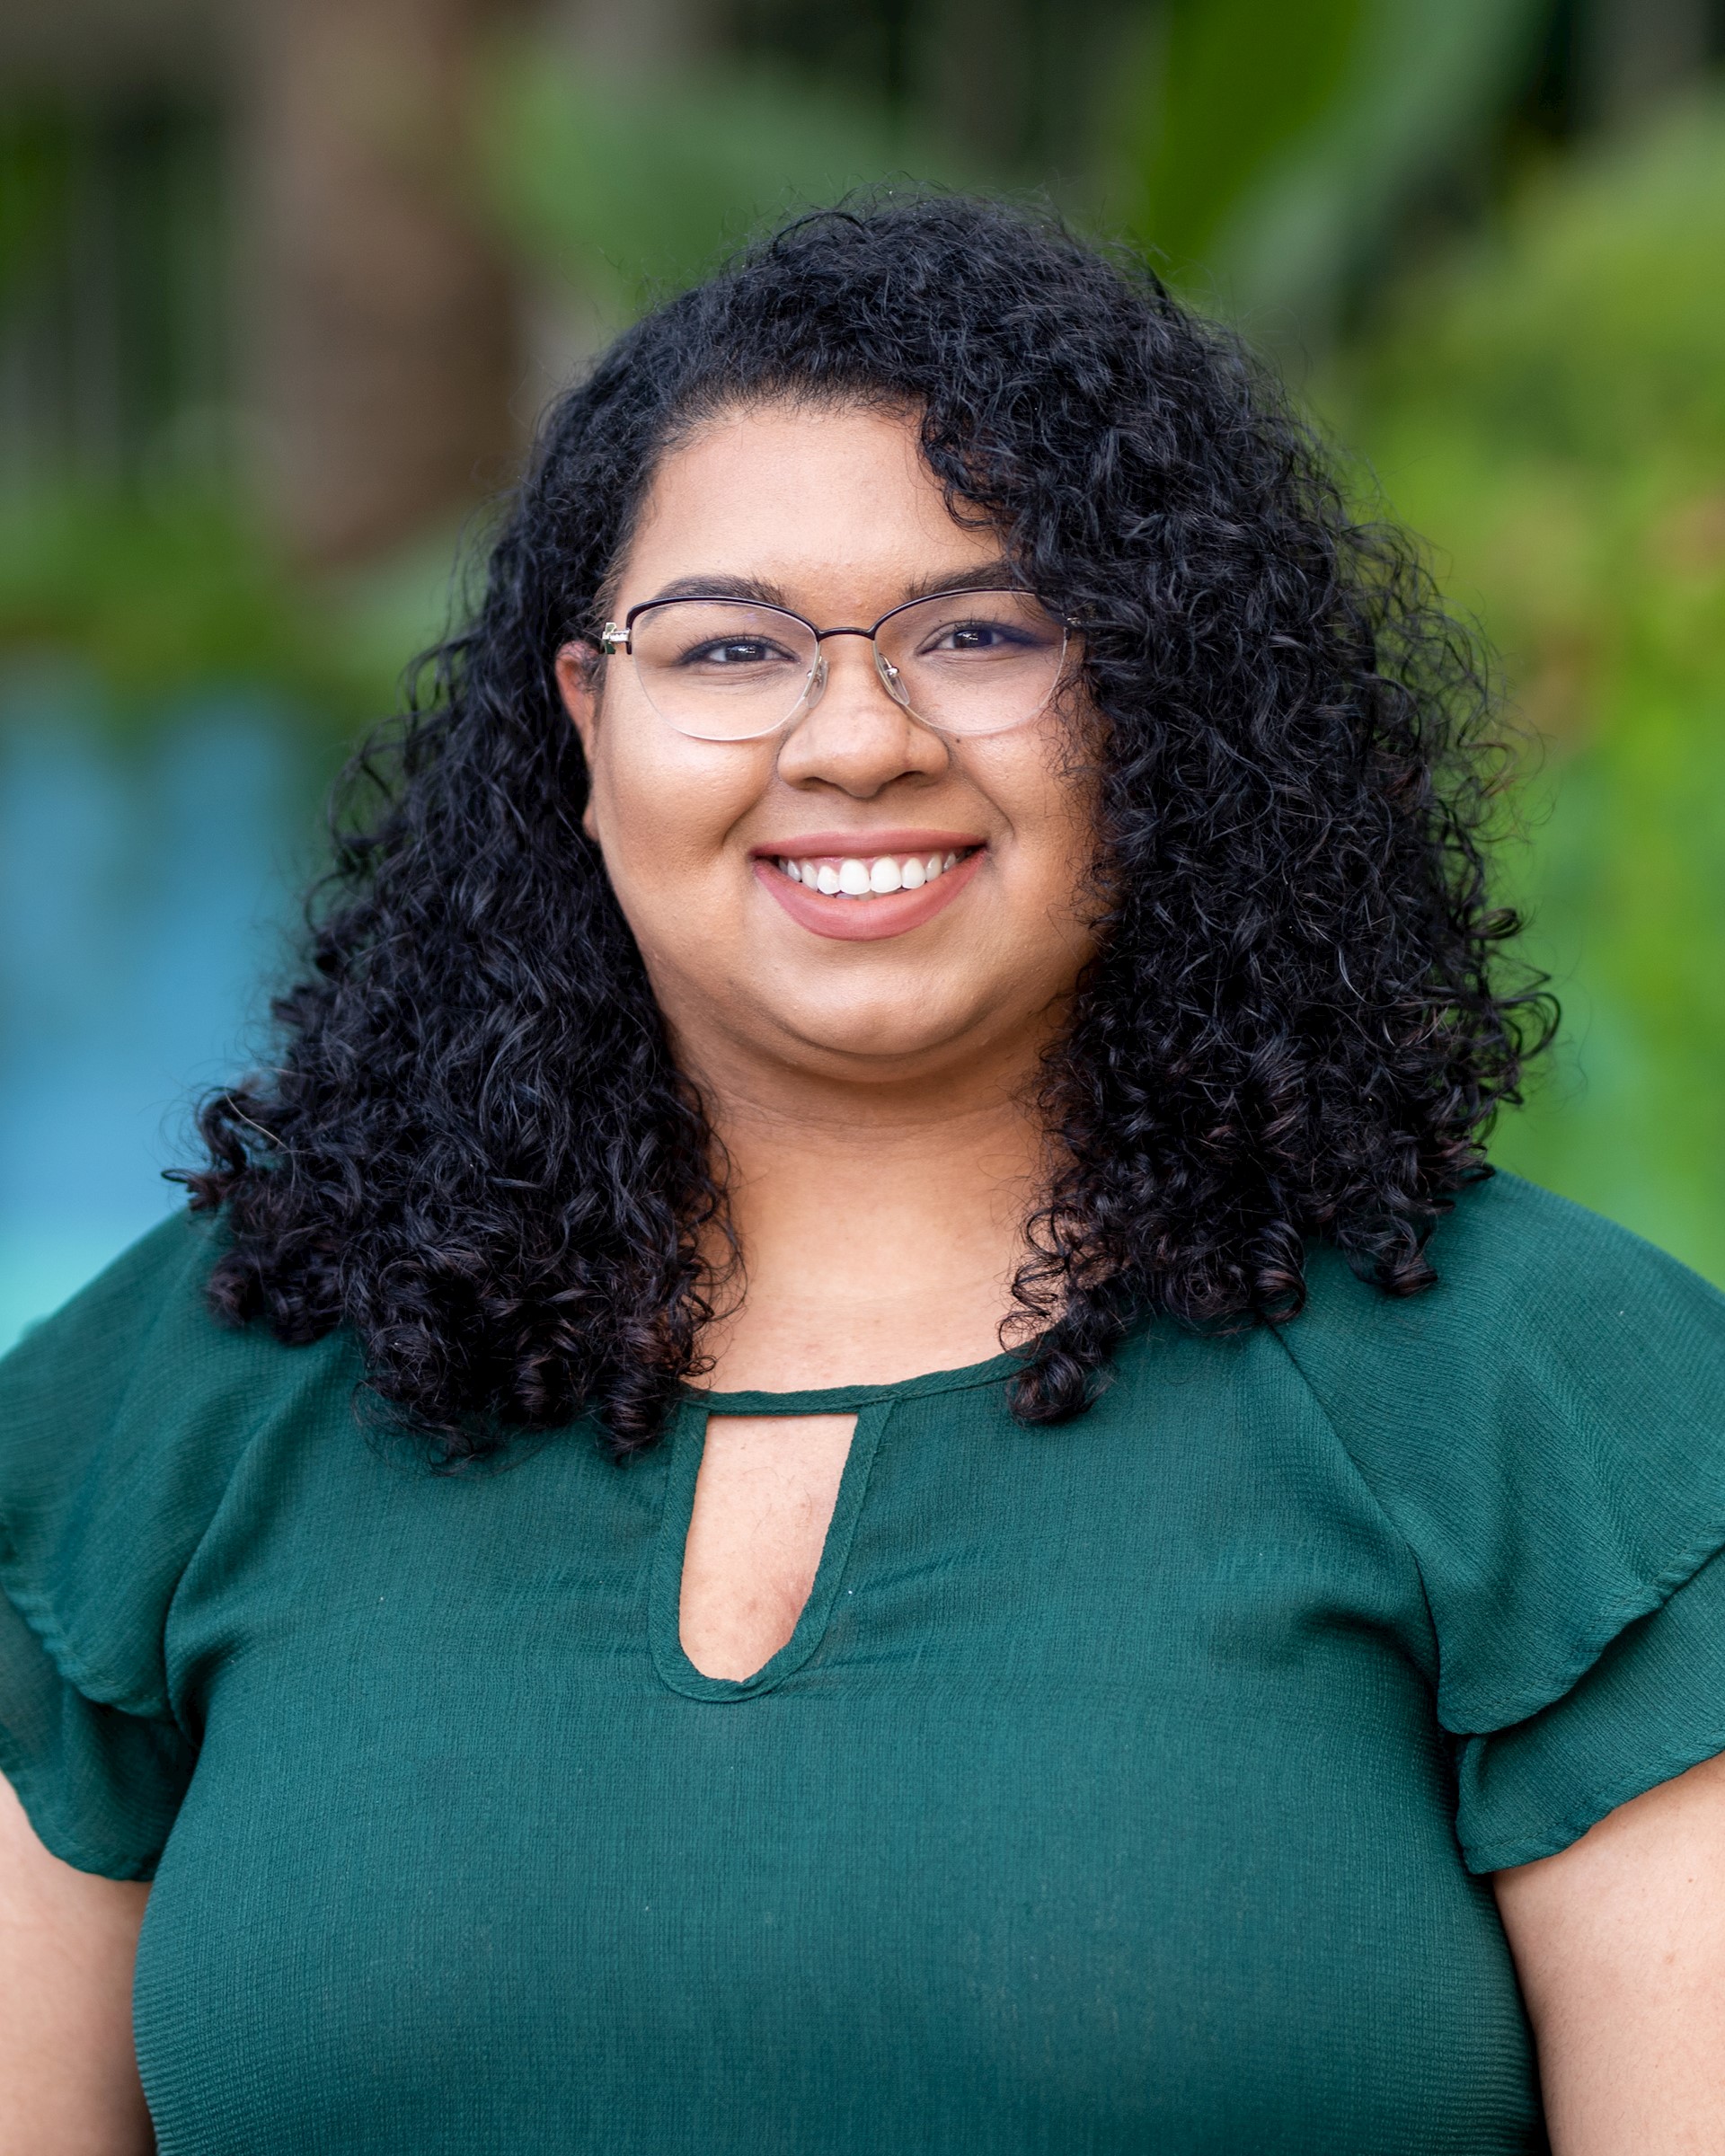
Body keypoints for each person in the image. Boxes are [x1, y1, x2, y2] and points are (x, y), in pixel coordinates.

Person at [4, 196, 1725, 2156]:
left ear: (1157, 704)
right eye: (728, 646)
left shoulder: (1548, 1407)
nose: (854, 740)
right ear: (588, 726)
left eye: (980, 633)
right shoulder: (190, 1397)